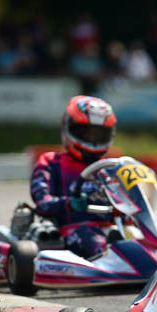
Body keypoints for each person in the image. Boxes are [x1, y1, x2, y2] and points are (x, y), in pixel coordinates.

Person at [30, 95, 116, 259]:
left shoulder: (111, 167)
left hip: (113, 229)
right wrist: (70, 203)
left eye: (99, 134)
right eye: (87, 133)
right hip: (72, 230)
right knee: (94, 242)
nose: (93, 139)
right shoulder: (52, 163)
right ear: (69, 128)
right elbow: (42, 203)